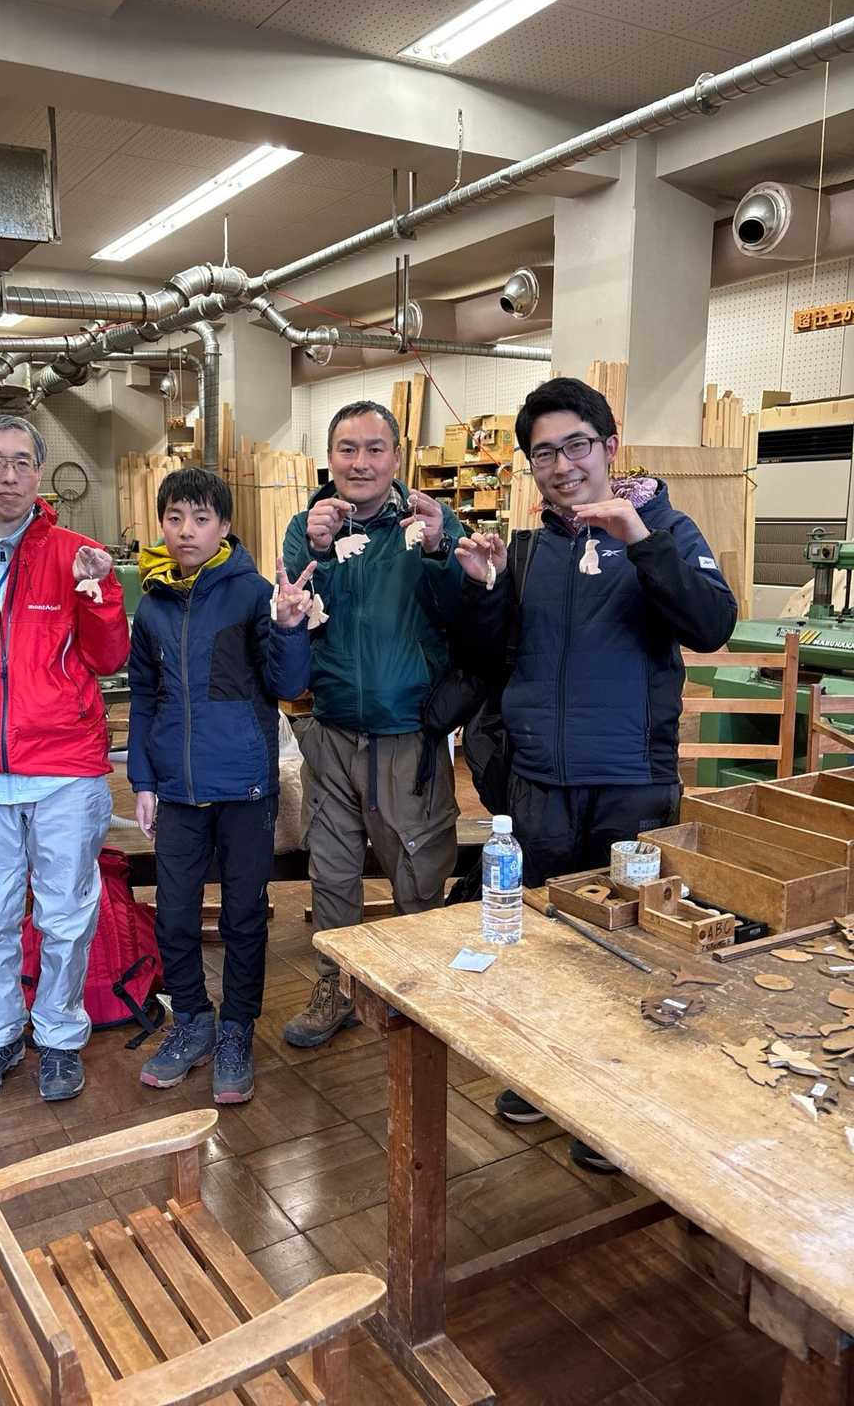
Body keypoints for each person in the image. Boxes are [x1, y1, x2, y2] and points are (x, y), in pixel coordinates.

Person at [455, 377, 737, 1158]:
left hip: (630, 786)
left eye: (576, 445)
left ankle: (615, 1106)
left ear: (610, 446)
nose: (562, 465)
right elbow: (487, 657)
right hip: (541, 782)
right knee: (549, 938)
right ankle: (547, 1076)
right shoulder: (528, 549)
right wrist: (483, 592)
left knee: (630, 946)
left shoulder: (666, 528)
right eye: (543, 453)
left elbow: (712, 624)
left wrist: (639, 537)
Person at [0, 413, 129, 1106]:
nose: (8, 475)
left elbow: (109, 659)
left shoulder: (77, 555)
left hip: (65, 768)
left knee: (66, 915)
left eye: (21, 462)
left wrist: (101, 594)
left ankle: (60, 1036)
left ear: (39, 474)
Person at [280, 400, 466, 1048]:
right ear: (329, 458)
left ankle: (420, 991)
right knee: (330, 870)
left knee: (418, 868)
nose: (360, 463)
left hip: (407, 732)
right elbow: (295, 617)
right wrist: (319, 550)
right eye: (347, 449)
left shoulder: (427, 524)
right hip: (331, 732)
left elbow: (466, 609)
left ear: (397, 457)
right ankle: (336, 985)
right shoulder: (306, 527)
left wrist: (440, 547)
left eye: (374, 448)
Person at [129, 468, 313, 1104]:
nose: (187, 531)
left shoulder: (254, 593)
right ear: (162, 523)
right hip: (177, 791)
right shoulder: (152, 603)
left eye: (201, 518)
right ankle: (192, 1020)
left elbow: (288, 686)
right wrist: (143, 780)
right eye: (175, 517)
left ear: (225, 527)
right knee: (175, 914)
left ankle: (237, 1027)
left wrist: (288, 626)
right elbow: (144, 697)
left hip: (245, 790)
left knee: (243, 915)